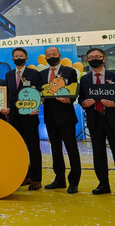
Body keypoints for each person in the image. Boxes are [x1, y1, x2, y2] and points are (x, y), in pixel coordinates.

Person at [78, 48, 115, 198]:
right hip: (95, 121)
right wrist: (84, 103)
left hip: (113, 120)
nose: (94, 59)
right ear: (87, 60)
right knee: (98, 155)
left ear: (104, 59)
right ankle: (103, 184)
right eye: (91, 57)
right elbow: (81, 98)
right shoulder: (85, 79)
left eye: (97, 56)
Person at [39, 47, 81, 194]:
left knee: (72, 149)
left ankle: (74, 182)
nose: (51, 56)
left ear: (60, 56)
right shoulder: (42, 74)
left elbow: (75, 92)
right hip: (50, 118)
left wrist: (68, 99)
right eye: (48, 55)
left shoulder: (70, 71)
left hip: (66, 117)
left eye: (53, 54)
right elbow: (41, 93)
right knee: (55, 150)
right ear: (45, 57)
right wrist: (39, 99)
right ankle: (59, 179)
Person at [5, 47, 43, 190]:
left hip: (30, 116)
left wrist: (36, 107)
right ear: (12, 59)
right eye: (16, 56)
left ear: (26, 58)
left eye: (21, 56)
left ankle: (36, 179)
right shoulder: (8, 75)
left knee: (33, 148)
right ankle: (24, 175)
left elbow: (39, 92)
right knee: (18, 148)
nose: (18, 58)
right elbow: (8, 95)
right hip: (13, 117)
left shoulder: (34, 73)